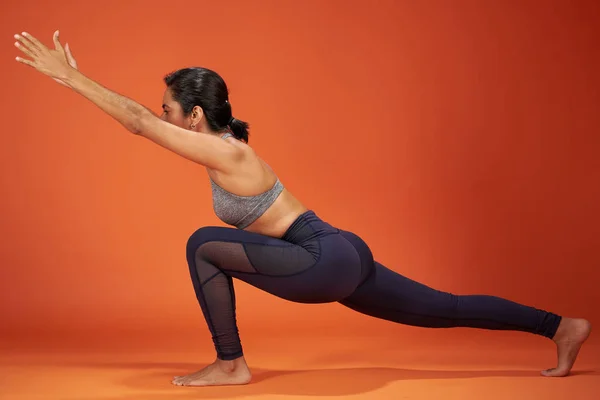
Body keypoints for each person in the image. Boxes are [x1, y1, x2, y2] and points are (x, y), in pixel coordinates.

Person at [14, 30, 591, 387]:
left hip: (323, 258)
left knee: (200, 244)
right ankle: (561, 326)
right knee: (442, 309)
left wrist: (70, 77)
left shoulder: (224, 150)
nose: (161, 116)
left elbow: (137, 123)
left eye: (169, 108)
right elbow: (144, 120)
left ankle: (230, 363)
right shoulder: (223, 151)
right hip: (338, 250)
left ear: (193, 115)